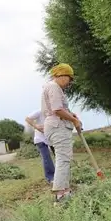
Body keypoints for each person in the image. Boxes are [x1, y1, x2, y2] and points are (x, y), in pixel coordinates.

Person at [41, 63, 82, 202]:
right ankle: (61, 194)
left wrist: (71, 115)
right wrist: (74, 121)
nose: (69, 83)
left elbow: (60, 109)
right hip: (57, 126)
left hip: (57, 124)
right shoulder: (54, 87)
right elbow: (57, 110)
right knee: (63, 158)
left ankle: (65, 190)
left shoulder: (52, 87)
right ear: (62, 76)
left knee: (64, 158)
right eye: (70, 79)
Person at [25, 110, 55, 184]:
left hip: (52, 139)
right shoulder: (39, 111)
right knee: (47, 158)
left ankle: (60, 174)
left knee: (59, 157)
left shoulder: (55, 112)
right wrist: (36, 126)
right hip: (40, 139)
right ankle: (50, 177)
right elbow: (28, 119)